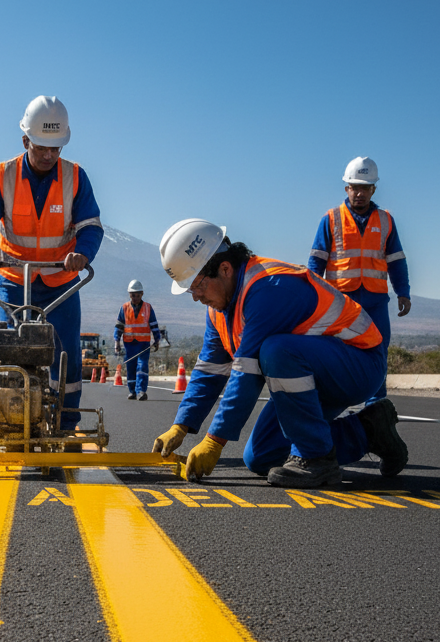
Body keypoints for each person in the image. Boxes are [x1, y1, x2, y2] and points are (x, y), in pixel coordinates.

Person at [151, 218, 409, 487]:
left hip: (359, 363)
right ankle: (370, 432)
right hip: (312, 375)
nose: (195, 296)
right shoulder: (219, 309)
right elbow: (210, 370)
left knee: (275, 351)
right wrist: (181, 425)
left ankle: (317, 458)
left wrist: (214, 441)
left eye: (197, 285)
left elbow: (246, 372)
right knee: (261, 456)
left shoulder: (268, 288)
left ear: (225, 268)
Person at [0, 95, 103, 430]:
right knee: (13, 354)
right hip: (15, 282)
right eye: (41, 147)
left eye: (55, 148)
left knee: (66, 358)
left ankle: (66, 424)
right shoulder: (4, 176)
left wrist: (82, 255)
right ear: (25, 140)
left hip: (61, 284)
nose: (48, 155)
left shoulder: (75, 177)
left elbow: (91, 227)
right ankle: (14, 423)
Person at [308, 156, 410, 404]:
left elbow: (396, 259)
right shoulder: (331, 219)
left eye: (365, 188)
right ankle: (331, 399)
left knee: (377, 350)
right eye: (355, 188)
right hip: (341, 301)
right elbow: (316, 262)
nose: (360, 194)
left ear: (373, 189)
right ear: (347, 189)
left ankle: (376, 404)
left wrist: (403, 292)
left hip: (375, 300)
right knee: (334, 351)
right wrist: (311, 295)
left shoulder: (386, 220)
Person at [113, 279, 160, 400]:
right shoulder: (124, 308)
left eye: (137, 295)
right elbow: (119, 326)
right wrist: (116, 341)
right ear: (129, 295)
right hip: (129, 344)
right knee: (131, 367)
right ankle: (132, 391)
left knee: (142, 366)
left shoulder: (148, 308)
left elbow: (154, 324)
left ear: (142, 294)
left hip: (143, 344)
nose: (135, 297)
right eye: (133, 295)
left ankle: (141, 391)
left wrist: (157, 339)